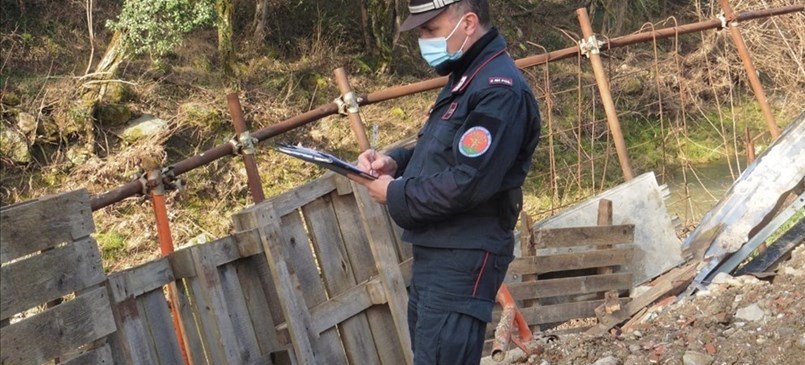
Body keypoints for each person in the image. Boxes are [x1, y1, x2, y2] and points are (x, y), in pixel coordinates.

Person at [351, 0, 541, 363]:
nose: (423, 40)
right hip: (438, 248)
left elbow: (469, 181)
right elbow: (442, 151)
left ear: (468, 23)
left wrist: (395, 193)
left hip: (463, 254)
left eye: (430, 30)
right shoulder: (466, 77)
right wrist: (394, 162)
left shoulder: (498, 90)